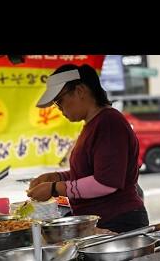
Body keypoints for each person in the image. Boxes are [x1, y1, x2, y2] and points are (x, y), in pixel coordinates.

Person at [27, 64, 148, 233]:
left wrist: (54, 188)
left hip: (117, 220)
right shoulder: (92, 124)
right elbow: (90, 173)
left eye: (59, 101)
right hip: (102, 220)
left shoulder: (108, 123)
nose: (59, 108)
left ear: (80, 91)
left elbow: (106, 183)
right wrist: (55, 177)